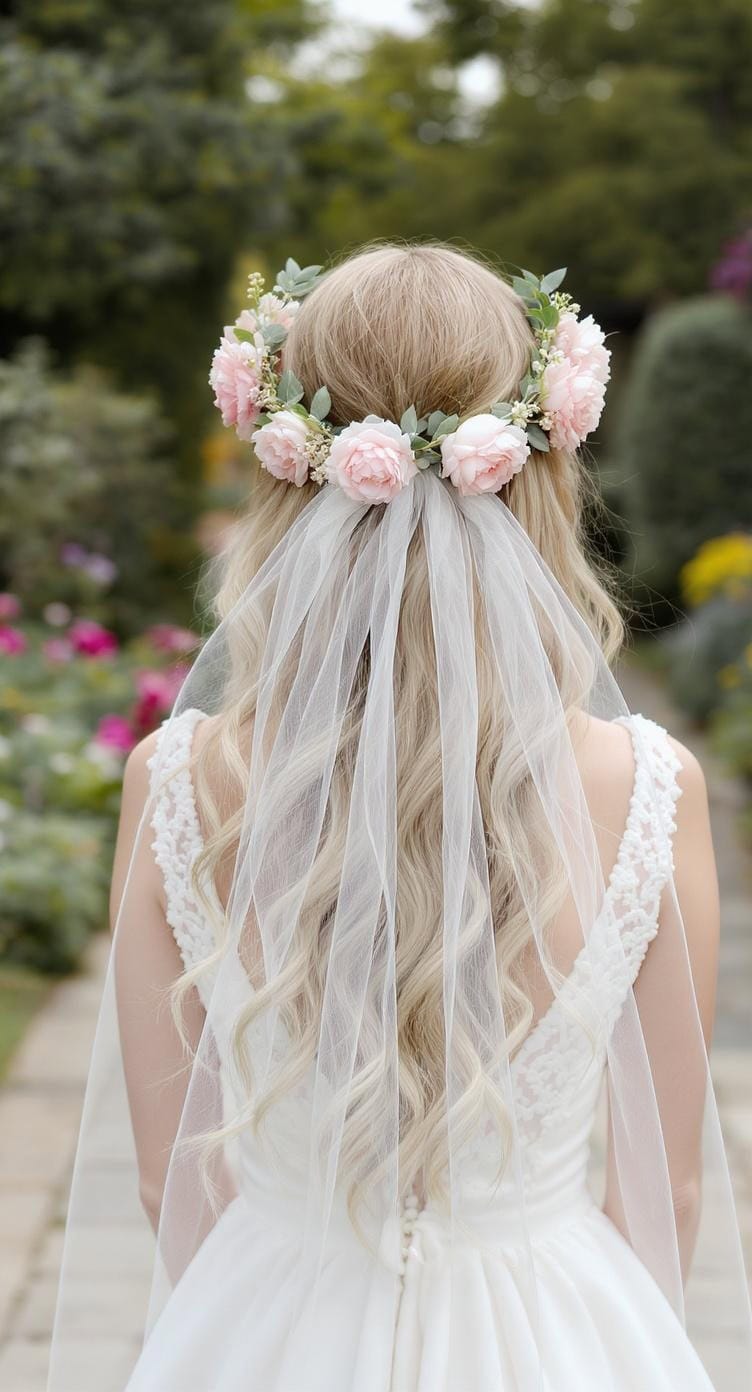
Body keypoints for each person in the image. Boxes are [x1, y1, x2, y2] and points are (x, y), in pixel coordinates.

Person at [48, 243, 751, 1392]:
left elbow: (166, 1177)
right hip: (553, 1336)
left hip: (268, 1326)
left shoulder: (176, 782)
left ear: (281, 466)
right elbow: (663, 1187)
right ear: (543, 467)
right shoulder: (645, 789)